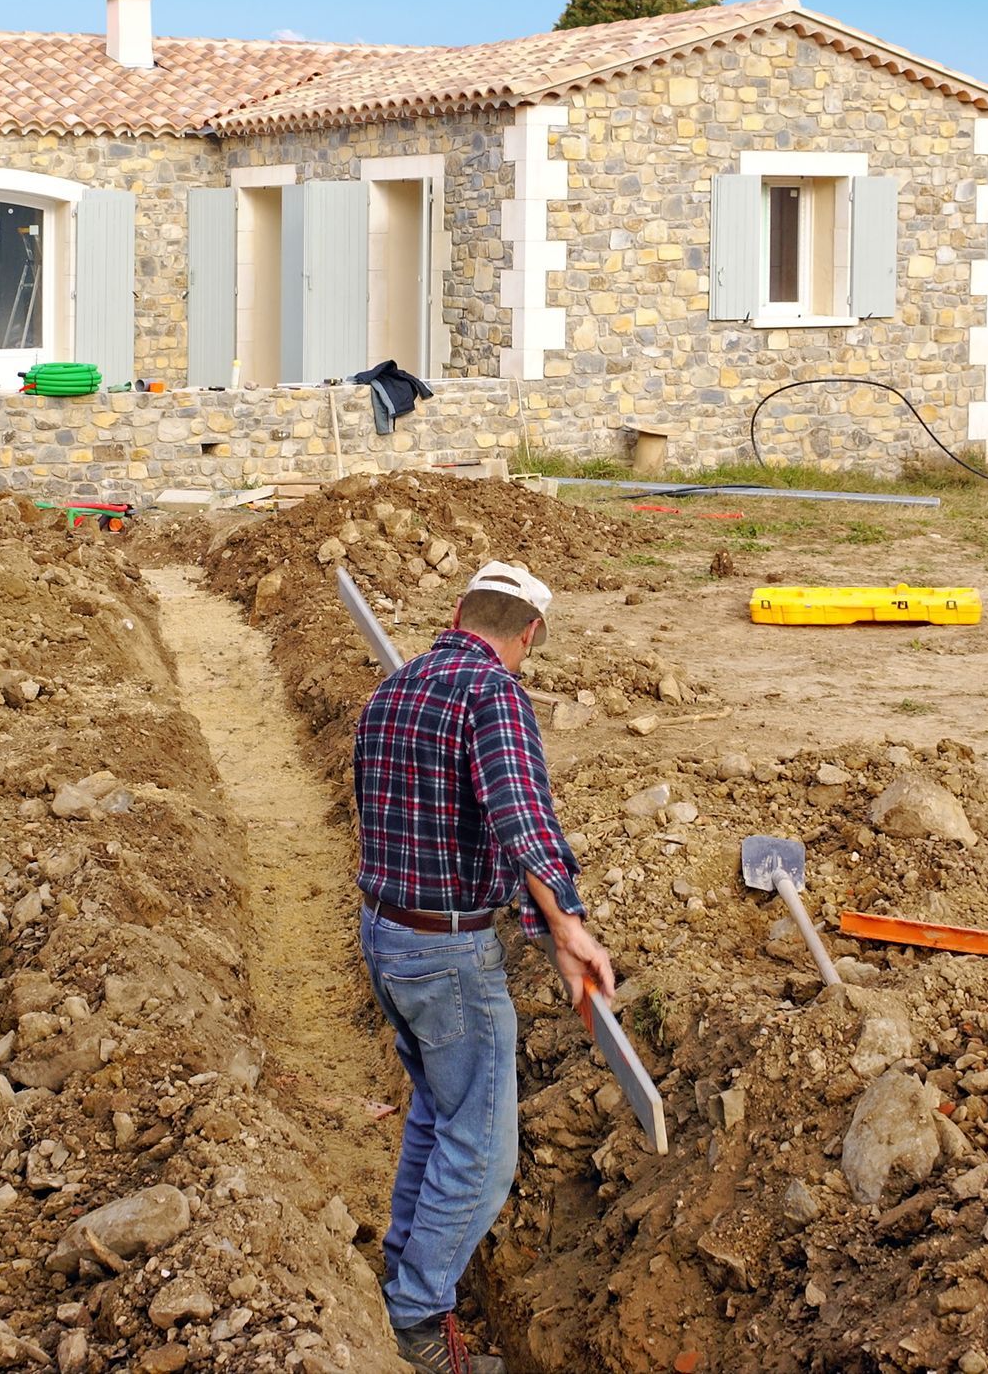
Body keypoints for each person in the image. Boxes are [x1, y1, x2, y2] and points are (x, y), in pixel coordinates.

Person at [353, 561, 615, 1374]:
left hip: (386, 936)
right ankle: (419, 1320)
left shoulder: (393, 691)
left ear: (458, 611)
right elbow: (519, 815)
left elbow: (423, 822)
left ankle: (400, 1267)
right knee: (484, 1147)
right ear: (527, 634)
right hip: (449, 955)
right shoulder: (492, 694)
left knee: (436, 1112)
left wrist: (528, 913)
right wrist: (567, 926)